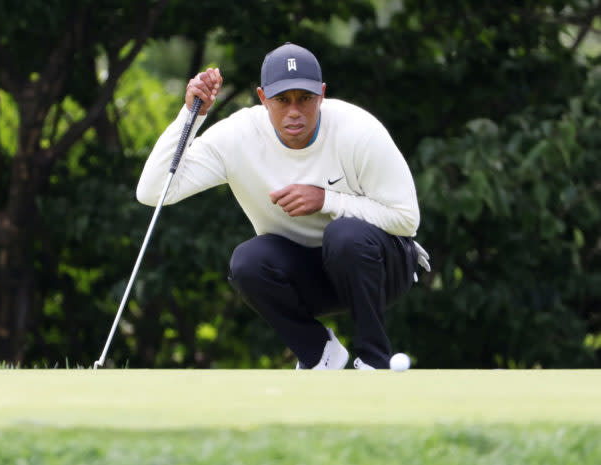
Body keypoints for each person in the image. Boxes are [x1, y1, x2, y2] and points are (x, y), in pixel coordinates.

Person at [137, 43, 430, 370]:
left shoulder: (357, 130)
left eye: (305, 99)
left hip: (383, 268)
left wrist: (326, 200)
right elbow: (153, 191)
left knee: (344, 235)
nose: (294, 111)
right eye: (282, 100)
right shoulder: (239, 135)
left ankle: (374, 361)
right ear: (263, 98)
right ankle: (320, 354)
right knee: (248, 261)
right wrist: (191, 116)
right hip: (309, 277)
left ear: (321, 94)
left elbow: (407, 220)